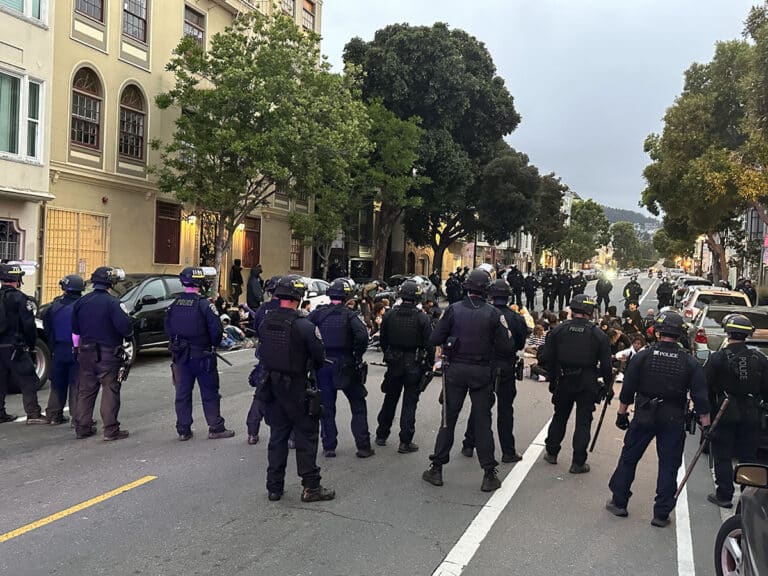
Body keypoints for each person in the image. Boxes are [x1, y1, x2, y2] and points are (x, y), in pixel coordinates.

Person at [606, 312, 711, 527]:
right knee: (668, 464)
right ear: (680, 333)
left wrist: (621, 413)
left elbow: (628, 389)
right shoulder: (689, 362)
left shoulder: (644, 356)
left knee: (629, 457)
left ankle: (619, 501)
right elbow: (700, 397)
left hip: (644, 412)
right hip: (673, 416)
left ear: (658, 331)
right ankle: (661, 513)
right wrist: (706, 426)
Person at [422, 268, 511, 492]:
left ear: (467, 286)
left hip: (456, 371)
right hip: (482, 372)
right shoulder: (493, 314)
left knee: (447, 421)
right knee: (483, 422)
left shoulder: (453, 310)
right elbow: (506, 345)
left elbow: (435, 337)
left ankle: (437, 468)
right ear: (487, 290)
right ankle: (489, 473)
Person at [257, 275, 334, 502]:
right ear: (298, 298)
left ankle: (274, 487)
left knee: (277, 437)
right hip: (298, 387)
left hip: (272, 386)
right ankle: (311, 487)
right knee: (306, 438)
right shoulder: (305, 326)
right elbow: (319, 357)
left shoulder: (265, 322)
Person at [541, 294, 613, 473]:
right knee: (583, 421)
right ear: (589, 311)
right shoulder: (598, 334)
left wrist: (552, 378)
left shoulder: (558, 330)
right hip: (587, 381)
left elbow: (548, 358)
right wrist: (608, 386)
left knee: (560, 416)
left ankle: (552, 452)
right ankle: (578, 462)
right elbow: (606, 365)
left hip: (564, 378)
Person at [704, 314, 768, 508]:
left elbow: (705, 387)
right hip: (751, 413)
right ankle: (748, 498)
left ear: (727, 332)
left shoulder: (717, 358)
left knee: (722, 454)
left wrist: (706, 415)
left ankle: (724, 495)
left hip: (724, 413)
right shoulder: (760, 359)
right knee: (749, 456)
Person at [461, 279, 528, 462]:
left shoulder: (484, 313)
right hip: (506, 367)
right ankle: (508, 451)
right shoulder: (515, 318)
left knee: (480, 406)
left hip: (485, 364)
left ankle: (469, 443)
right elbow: (520, 343)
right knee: (505, 410)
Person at [166, 267, 235, 441]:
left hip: (180, 356)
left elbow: (167, 328)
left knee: (182, 393)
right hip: (202, 355)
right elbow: (216, 332)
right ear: (201, 282)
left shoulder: (174, 304)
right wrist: (213, 343)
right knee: (210, 392)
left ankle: (183, 430)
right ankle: (215, 427)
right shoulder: (205, 305)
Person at [309, 278, 373, 459]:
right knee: (358, 404)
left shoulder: (318, 314)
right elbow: (362, 336)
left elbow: (305, 331)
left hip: (323, 364)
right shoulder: (350, 315)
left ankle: (329, 446)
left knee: (327, 407)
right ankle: (363, 446)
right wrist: (357, 355)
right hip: (346, 364)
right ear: (347, 296)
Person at [72, 266, 133, 440]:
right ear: (111, 283)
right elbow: (126, 328)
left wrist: (77, 350)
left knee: (85, 390)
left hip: (85, 352)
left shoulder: (81, 302)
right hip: (108, 353)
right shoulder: (114, 303)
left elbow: (75, 330)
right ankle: (111, 430)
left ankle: (82, 428)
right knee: (110, 389)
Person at [375, 280, 434, 453]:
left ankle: (381, 434)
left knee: (390, 399)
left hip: (394, 361)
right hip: (414, 363)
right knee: (410, 403)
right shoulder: (422, 317)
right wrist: (430, 363)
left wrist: (389, 353)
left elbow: (383, 339)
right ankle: (405, 441)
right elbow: (429, 343)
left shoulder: (390, 315)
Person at [0, 263, 46, 424]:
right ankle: (33, 414)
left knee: (1, 380)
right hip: (14, 346)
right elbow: (28, 325)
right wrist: (31, 344)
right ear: (17, 279)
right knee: (29, 379)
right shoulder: (20, 298)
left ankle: (0, 413)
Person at [245, 275, 283, 445]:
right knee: (288, 398)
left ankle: (252, 432)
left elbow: (257, 331)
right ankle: (291, 437)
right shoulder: (290, 310)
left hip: (265, 358)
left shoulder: (262, 309)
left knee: (260, 395)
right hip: (286, 359)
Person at [43, 275, 85, 425]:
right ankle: (77, 417)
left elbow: (47, 328)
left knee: (57, 382)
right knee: (76, 383)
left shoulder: (53, 306)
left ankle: (54, 415)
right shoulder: (83, 306)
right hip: (78, 349)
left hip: (59, 348)